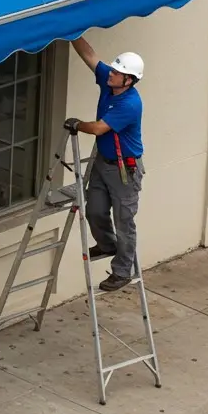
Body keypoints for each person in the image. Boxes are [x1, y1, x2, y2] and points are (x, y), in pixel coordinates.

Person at [61, 37, 145, 293]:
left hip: (124, 171)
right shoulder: (111, 82)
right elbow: (89, 55)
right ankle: (107, 244)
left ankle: (122, 271)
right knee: (95, 209)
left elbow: (99, 128)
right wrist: (73, 33)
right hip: (103, 163)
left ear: (128, 80)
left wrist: (77, 125)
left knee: (124, 220)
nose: (112, 73)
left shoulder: (129, 104)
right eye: (113, 69)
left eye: (118, 72)